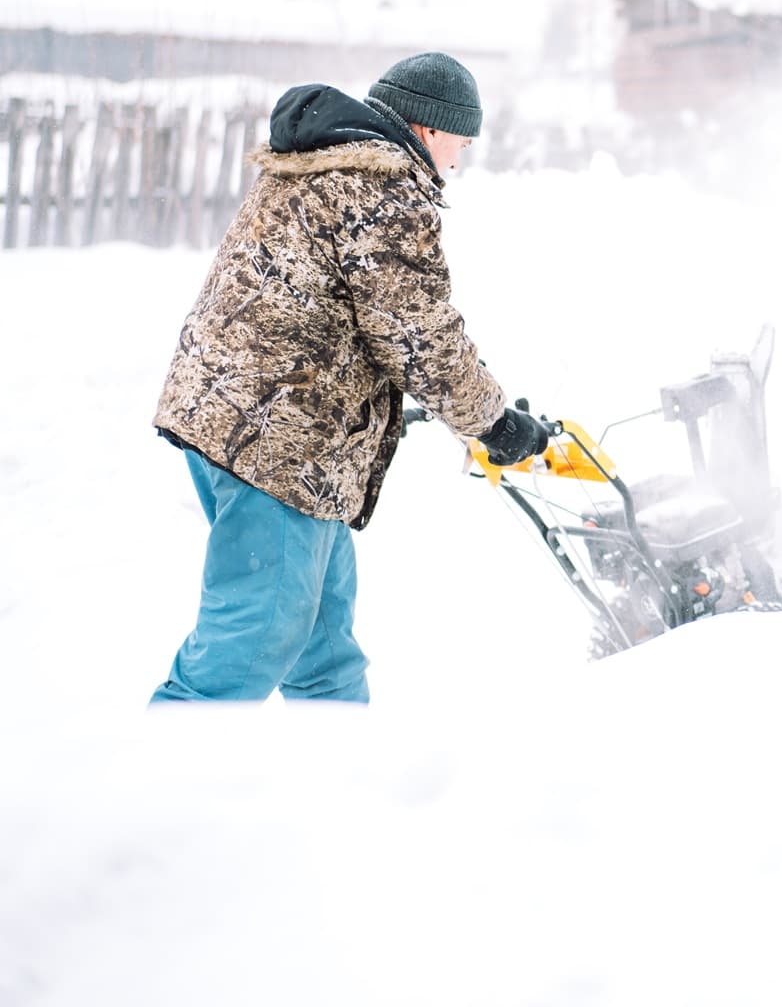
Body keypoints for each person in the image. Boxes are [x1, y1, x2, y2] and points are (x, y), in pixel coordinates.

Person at [149, 52, 548, 704]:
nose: (458, 161)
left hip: (241, 418)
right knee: (249, 648)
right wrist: (495, 423)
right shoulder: (382, 186)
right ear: (429, 128)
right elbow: (418, 335)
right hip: (276, 441)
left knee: (324, 649)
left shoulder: (322, 164)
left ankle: (342, 766)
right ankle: (161, 766)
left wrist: (377, 407)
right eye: (461, 143)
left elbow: (326, 305)